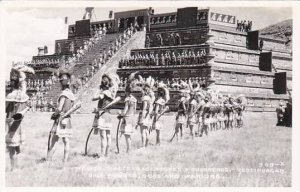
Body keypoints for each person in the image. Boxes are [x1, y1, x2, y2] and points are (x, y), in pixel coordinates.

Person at [5, 64, 34, 171]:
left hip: (10, 124)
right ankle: (16, 167)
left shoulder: (10, 95)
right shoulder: (23, 94)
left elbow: (4, 109)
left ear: (13, 82)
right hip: (19, 125)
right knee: (16, 147)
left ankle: (14, 169)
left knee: (11, 149)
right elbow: (24, 86)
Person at [47, 68, 76, 163]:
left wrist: (54, 114)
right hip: (67, 120)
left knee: (53, 141)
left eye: (61, 81)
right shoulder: (71, 94)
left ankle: (48, 160)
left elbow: (59, 109)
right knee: (66, 141)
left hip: (60, 119)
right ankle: (65, 160)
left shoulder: (63, 94)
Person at [91, 72, 119, 157]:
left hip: (102, 115)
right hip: (108, 114)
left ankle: (103, 155)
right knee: (108, 135)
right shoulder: (111, 93)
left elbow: (93, 98)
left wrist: (98, 91)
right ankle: (107, 154)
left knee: (103, 136)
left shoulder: (104, 93)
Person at [118, 73, 138, 153]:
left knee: (126, 135)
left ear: (126, 91)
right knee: (128, 135)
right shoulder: (134, 99)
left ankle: (128, 150)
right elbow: (135, 109)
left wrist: (121, 115)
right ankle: (127, 149)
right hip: (132, 117)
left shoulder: (127, 99)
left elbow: (126, 109)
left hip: (127, 118)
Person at [138, 76, 155, 148]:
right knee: (147, 131)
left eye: (142, 90)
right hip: (148, 116)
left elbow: (144, 108)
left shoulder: (145, 98)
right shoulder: (150, 99)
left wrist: (141, 118)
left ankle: (143, 146)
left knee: (143, 132)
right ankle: (146, 146)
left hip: (144, 116)